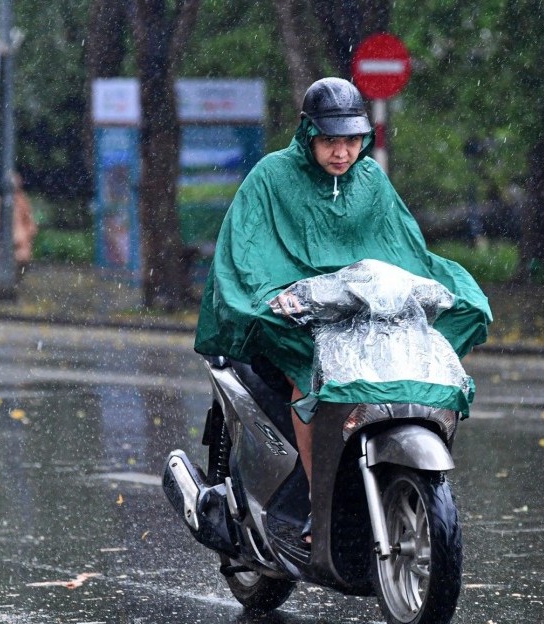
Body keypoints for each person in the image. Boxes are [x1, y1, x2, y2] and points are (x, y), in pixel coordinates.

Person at [194, 77, 492, 542]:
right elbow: (245, 250)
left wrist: (429, 289)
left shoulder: (371, 180)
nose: (342, 152)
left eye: (351, 140)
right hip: (301, 321)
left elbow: (404, 248)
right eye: (330, 140)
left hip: (359, 317)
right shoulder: (272, 177)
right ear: (307, 133)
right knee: (309, 377)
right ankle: (317, 504)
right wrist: (271, 297)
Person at [0, 171, 38, 274]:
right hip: (5, 242)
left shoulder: (22, 201)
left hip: (20, 241)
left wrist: (29, 233)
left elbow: (29, 221)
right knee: (6, 267)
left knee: (22, 263)